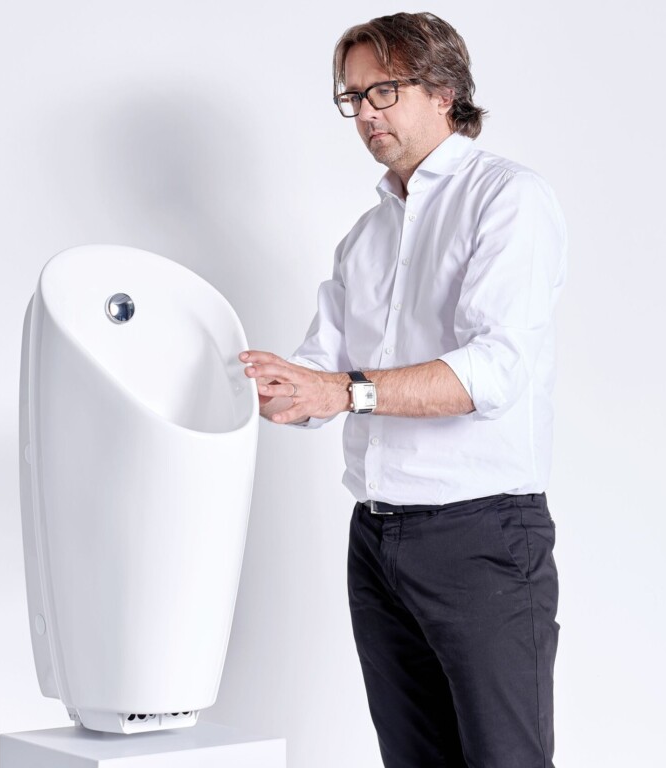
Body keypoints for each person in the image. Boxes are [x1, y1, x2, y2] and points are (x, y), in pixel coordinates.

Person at [240, 11, 566, 768]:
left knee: (504, 759)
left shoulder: (507, 200)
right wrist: (247, 384)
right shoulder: (367, 236)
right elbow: (314, 374)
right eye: (352, 98)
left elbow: (494, 372)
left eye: (382, 90)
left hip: (482, 538)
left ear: (444, 88)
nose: (365, 113)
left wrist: (340, 392)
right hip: (377, 542)